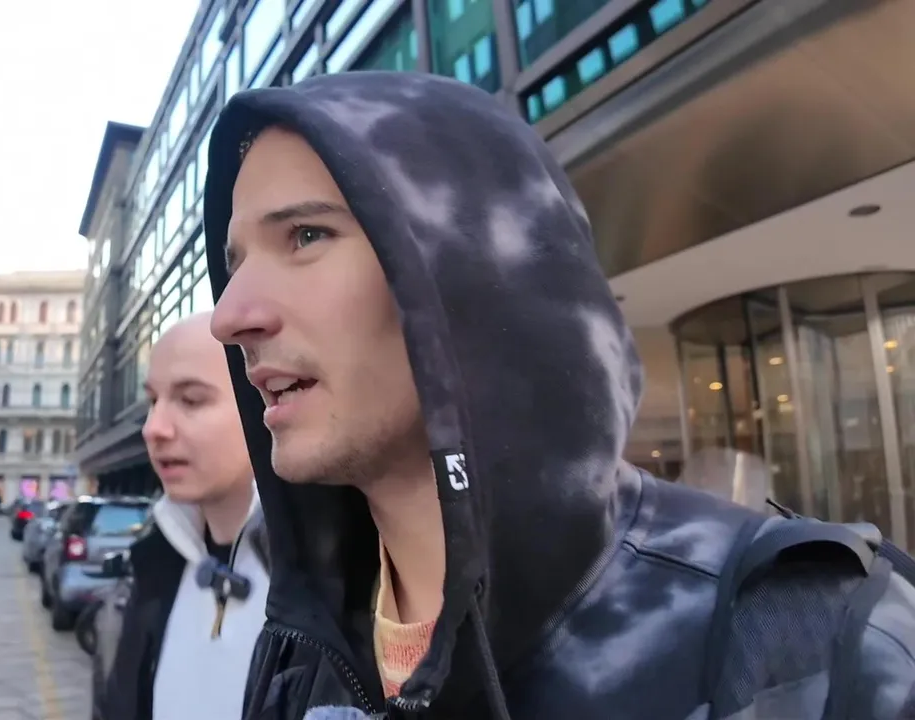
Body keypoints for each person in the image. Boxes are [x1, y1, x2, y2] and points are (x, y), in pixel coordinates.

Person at [201, 71, 915, 719]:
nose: (229, 317)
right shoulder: (299, 653)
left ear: (472, 271)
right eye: (234, 265)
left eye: (306, 235)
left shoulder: (801, 637)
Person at [99, 311, 271, 720]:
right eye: (153, 401)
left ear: (266, 403)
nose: (153, 428)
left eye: (190, 400)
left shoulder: (333, 585)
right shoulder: (152, 567)